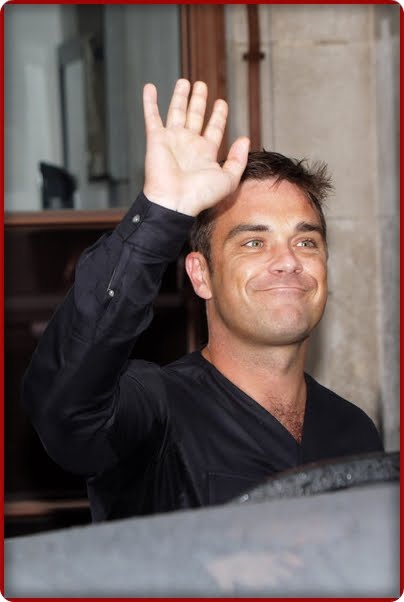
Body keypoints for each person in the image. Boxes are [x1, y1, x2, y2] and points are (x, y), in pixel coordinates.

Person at [22, 79, 383, 522]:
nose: (288, 261)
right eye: (254, 243)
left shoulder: (353, 431)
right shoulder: (155, 414)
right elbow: (65, 405)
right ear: (201, 274)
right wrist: (161, 212)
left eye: (306, 242)